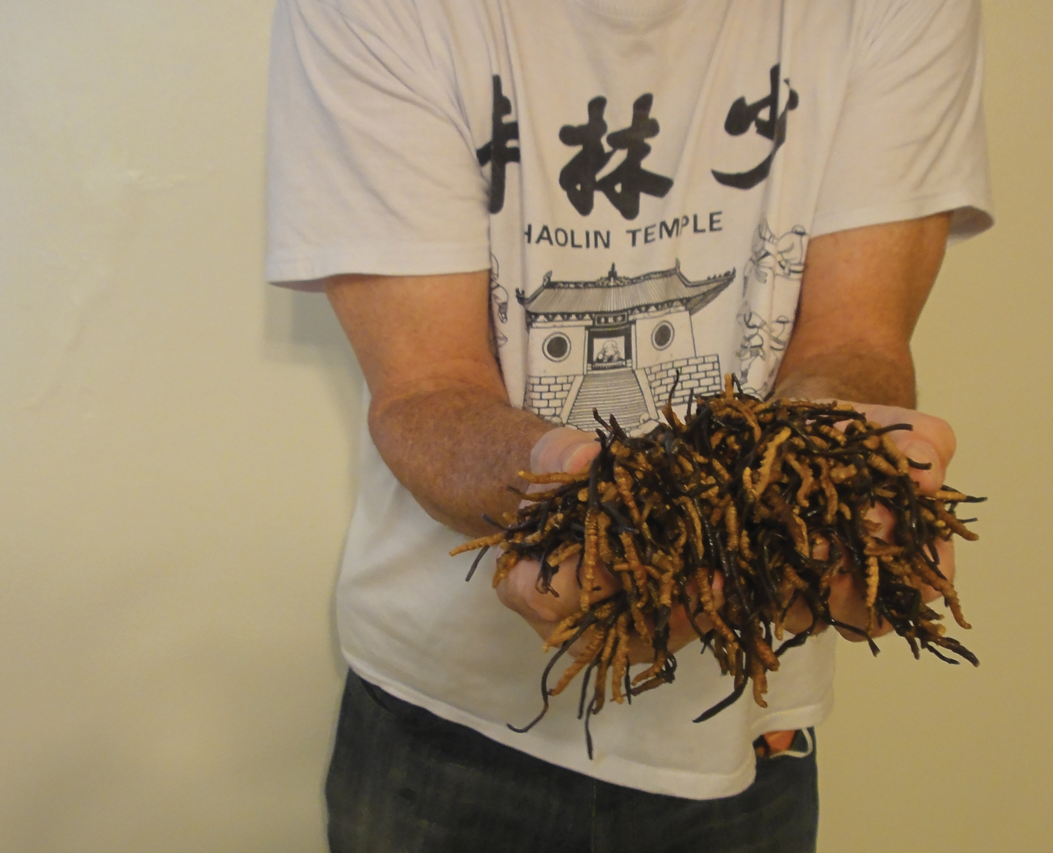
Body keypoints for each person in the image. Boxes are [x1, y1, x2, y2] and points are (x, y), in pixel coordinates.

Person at [264, 0, 993, 849]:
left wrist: (836, 462)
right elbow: (426, 386)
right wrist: (567, 479)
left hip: (749, 731)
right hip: (446, 726)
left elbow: (858, 337)